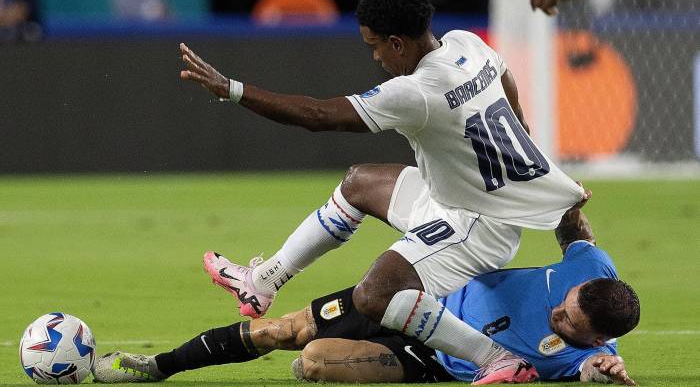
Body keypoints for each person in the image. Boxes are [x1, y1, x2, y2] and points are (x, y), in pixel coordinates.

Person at [180, 0, 586, 383]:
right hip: (453, 199)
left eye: (375, 47)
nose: (375, 57)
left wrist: (231, 89)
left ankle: (497, 359)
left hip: (477, 227)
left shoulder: (416, 91)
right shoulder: (467, 43)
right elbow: (508, 84)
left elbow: (319, 115)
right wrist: (522, 147)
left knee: (376, 294)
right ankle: (263, 281)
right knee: (359, 183)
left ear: (397, 42)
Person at [92, 207, 639, 385]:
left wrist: (601, 370)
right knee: (281, 330)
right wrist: (563, 199)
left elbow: (594, 369)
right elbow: (574, 232)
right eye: (564, 302)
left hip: (426, 355)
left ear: (593, 335)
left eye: (565, 321)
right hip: (417, 294)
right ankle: (156, 367)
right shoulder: (591, 272)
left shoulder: (582, 355)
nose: (556, 311)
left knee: (310, 361)